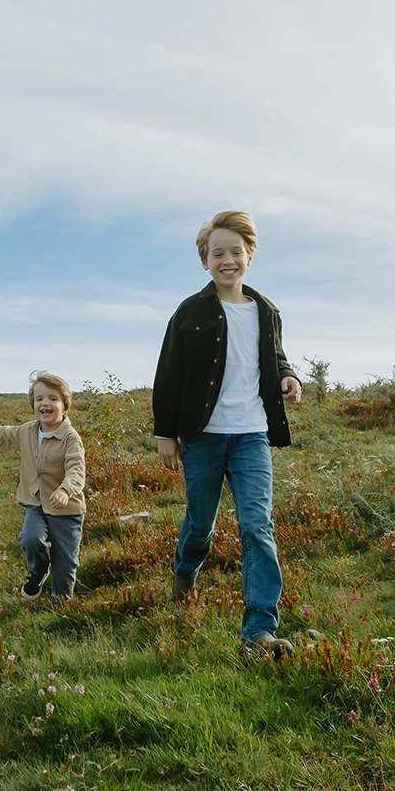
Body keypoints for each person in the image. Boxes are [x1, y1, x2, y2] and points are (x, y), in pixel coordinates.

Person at [151, 210, 302, 658]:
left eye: (236, 252)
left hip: (252, 434)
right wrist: (166, 433)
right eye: (218, 253)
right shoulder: (190, 311)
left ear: (249, 256)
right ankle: (184, 573)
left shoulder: (266, 311)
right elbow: (169, 374)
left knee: (257, 526)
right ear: (205, 261)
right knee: (201, 524)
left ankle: (258, 631)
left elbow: (274, 356)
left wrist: (289, 376)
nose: (227, 260)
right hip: (203, 436)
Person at [0, 372, 86, 603]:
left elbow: (76, 469)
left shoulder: (70, 438)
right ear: (33, 404)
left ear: (65, 406)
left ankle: (61, 606)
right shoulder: (27, 431)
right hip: (35, 503)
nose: (45, 403)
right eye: (39, 399)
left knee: (65, 563)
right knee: (31, 539)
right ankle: (39, 570)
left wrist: (65, 490)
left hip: (66, 511)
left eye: (53, 399)